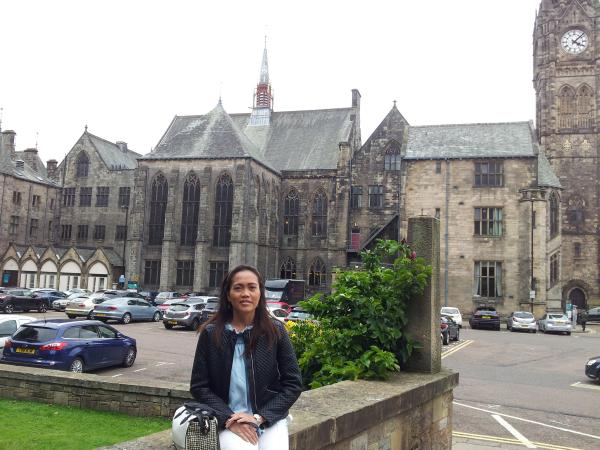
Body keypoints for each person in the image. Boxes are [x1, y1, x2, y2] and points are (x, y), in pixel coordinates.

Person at [190, 264, 302, 450]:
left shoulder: (275, 331)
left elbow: (293, 384)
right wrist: (229, 418)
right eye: (238, 288)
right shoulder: (211, 334)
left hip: (267, 416)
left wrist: (260, 417)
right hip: (228, 416)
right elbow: (199, 386)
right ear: (228, 295)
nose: (245, 294)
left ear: (260, 293)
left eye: (252, 287)